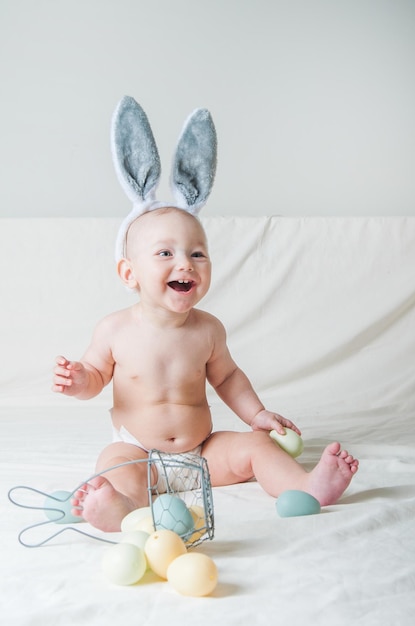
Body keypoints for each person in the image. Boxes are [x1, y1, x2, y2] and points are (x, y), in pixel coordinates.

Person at [52, 206, 359, 532]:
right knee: (114, 463)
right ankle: (122, 505)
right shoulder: (114, 329)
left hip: (202, 454)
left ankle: (306, 486)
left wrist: (256, 415)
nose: (185, 263)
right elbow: (96, 376)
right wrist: (80, 379)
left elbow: (227, 377)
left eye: (197, 253)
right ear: (130, 273)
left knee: (257, 446)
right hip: (138, 452)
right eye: (165, 252)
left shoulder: (209, 330)